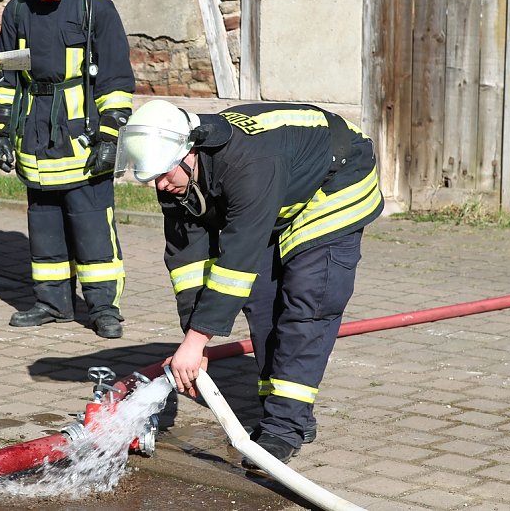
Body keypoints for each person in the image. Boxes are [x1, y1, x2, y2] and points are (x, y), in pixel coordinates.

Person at [114, 99, 384, 467]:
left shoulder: (247, 164)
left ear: (189, 150)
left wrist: (197, 342)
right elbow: (187, 259)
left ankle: (283, 428)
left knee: (308, 303)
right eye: (152, 177)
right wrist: (195, 341)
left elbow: (237, 261)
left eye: (164, 174)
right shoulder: (174, 171)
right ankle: (289, 413)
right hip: (280, 189)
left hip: (336, 183)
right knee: (261, 302)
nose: (160, 184)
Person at [0, 0, 135, 339]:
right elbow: (8, 76)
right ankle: (53, 302)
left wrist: (109, 134)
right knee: (44, 219)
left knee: (91, 222)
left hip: (81, 130)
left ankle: (104, 308)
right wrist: (1, 130)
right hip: (35, 129)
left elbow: (117, 79)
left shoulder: (95, 7)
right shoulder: (18, 9)